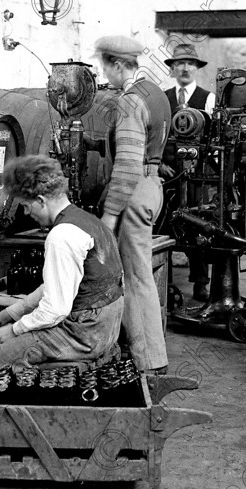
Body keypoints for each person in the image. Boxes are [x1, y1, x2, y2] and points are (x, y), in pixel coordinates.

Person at [0, 155, 124, 372]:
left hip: (82, 335)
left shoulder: (61, 235)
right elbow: (55, 286)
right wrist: (6, 315)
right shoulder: (89, 221)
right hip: (103, 329)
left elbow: (55, 309)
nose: (27, 214)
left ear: (41, 200)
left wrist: (14, 330)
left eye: (26, 206)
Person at [93, 35, 171, 374]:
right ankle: (143, 354)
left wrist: (108, 217)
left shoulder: (128, 102)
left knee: (135, 277)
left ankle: (149, 362)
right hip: (153, 186)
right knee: (139, 274)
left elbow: (125, 166)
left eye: (106, 67)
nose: (105, 75)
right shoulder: (156, 93)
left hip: (133, 191)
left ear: (118, 65)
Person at [163, 43, 216, 302]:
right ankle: (165, 279)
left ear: (196, 69)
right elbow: (158, 136)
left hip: (197, 175)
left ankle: (200, 282)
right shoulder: (163, 98)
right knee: (164, 223)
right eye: (180, 64)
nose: (185, 68)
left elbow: (213, 138)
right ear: (172, 69)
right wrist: (160, 164)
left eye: (190, 64)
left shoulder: (207, 98)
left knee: (199, 225)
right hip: (167, 174)